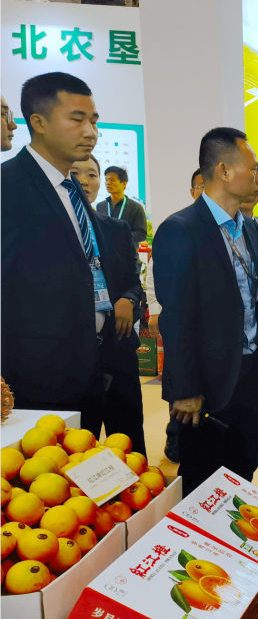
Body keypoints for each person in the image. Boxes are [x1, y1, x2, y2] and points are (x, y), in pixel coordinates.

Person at [1, 72, 140, 437]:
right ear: (38, 122)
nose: (90, 132)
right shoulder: (8, 186)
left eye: (93, 121)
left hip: (90, 369)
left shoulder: (72, 189)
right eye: (77, 119)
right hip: (33, 380)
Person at [153, 127, 258, 495]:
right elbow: (176, 316)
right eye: (253, 168)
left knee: (243, 476)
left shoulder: (253, 230)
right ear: (224, 171)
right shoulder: (181, 229)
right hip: (206, 385)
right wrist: (184, 388)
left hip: (251, 377)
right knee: (204, 487)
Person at [74, 154, 147, 454]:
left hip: (117, 350)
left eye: (92, 174)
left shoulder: (116, 229)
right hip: (73, 358)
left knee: (129, 444)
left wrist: (128, 299)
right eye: (75, 173)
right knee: (76, 450)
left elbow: (134, 282)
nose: (84, 181)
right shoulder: (51, 232)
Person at [96, 166, 148, 245]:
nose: (108, 183)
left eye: (112, 180)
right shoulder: (101, 206)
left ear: (124, 184)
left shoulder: (135, 207)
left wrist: (121, 236)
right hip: (105, 251)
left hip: (127, 252)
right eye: (106, 180)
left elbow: (142, 234)